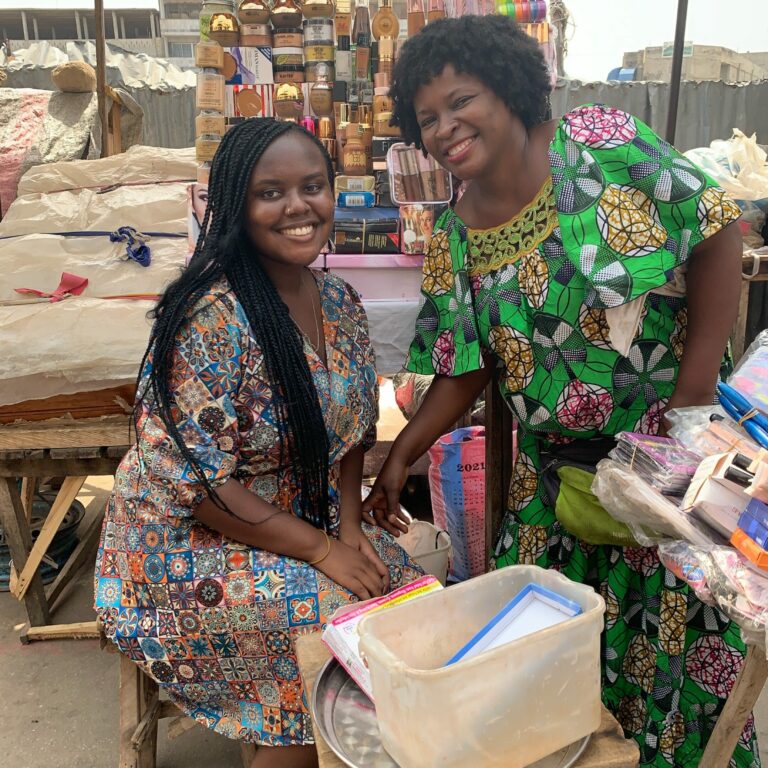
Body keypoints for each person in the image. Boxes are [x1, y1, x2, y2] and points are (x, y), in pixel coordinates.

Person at [362, 15, 754, 768]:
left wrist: (695, 397)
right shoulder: (456, 234)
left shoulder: (601, 144)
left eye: (461, 101)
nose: (445, 128)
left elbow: (713, 231)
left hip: (668, 473)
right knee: (547, 682)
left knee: (678, 668)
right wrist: (400, 454)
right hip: (554, 494)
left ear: (509, 88)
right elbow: (464, 367)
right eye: (427, 119)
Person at [94, 118, 421, 768]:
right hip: (178, 545)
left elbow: (353, 429)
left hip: (296, 519)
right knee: (330, 626)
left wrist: (349, 528)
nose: (298, 207)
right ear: (237, 205)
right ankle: (295, 741)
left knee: (405, 595)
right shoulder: (209, 319)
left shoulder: (340, 301)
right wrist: (323, 550)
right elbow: (203, 489)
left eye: (313, 186)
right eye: (272, 192)